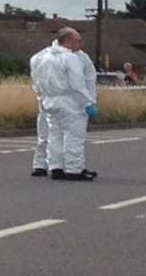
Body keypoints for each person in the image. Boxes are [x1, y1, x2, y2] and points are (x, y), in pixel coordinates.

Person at [32, 26, 99, 181]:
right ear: (67, 41)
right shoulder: (71, 58)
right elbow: (78, 84)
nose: (80, 44)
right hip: (70, 102)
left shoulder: (42, 56)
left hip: (49, 101)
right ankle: (74, 169)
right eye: (77, 41)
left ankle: (56, 167)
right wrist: (88, 103)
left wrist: (43, 97)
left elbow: (36, 81)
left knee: (54, 135)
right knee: (74, 136)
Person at [29, 38, 63, 177]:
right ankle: (57, 166)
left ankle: (40, 165)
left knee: (43, 133)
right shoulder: (66, 58)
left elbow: (35, 78)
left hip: (43, 98)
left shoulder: (38, 57)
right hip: (59, 99)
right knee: (59, 134)